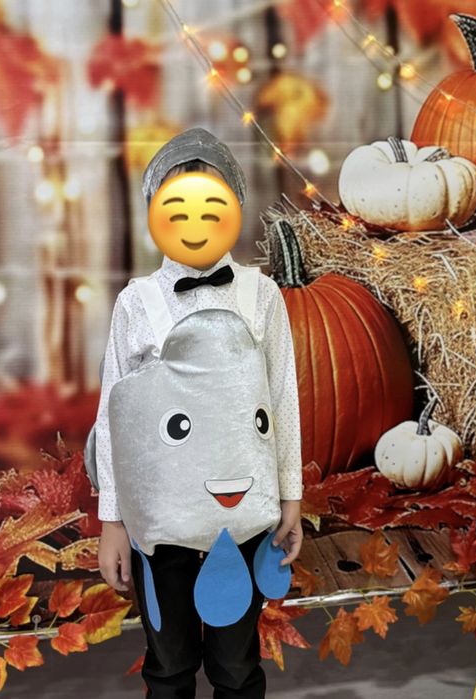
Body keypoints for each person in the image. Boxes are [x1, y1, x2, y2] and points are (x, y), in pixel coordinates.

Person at [95, 127, 303, 698]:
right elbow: (114, 418)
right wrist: (113, 521)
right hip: (162, 526)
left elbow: (282, 397)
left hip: (243, 522)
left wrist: (290, 497)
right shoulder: (138, 303)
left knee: (236, 666)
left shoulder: (262, 296)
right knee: (169, 664)